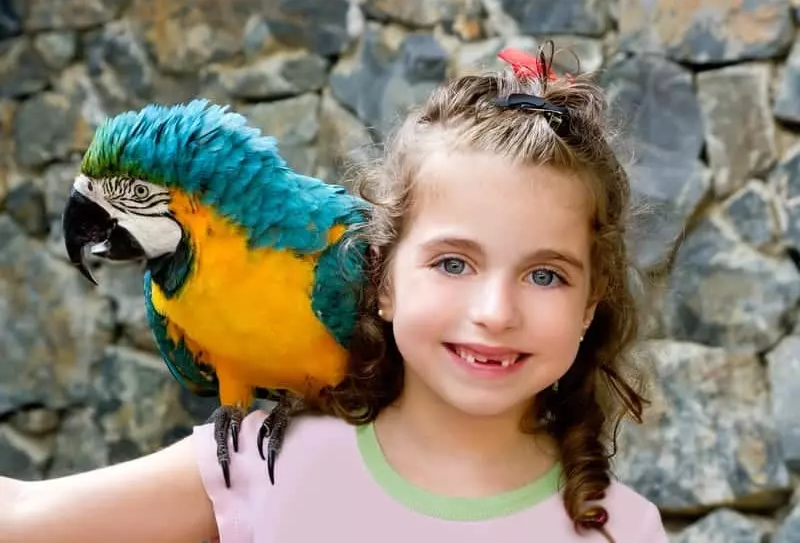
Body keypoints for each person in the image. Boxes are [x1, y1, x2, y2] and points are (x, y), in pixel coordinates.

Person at [0, 43, 669, 543]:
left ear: (591, 303)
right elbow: (22, 517)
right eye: (453, 263)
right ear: (380, 279)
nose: (494, 312)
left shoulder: (626, 528)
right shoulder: (262, 464)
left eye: (545, 273)